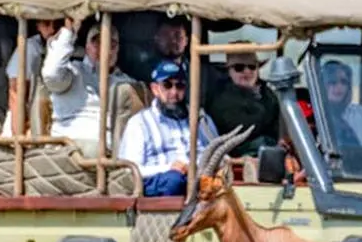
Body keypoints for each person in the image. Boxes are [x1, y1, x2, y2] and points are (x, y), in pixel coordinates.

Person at [117, 59, 219, 197]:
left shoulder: (200, 118)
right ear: (155, 89)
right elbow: (130, 168)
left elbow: (216, 151)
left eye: (180, 86)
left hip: (200, 177)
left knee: (221, 181)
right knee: (174, 181)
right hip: (163, 179)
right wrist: (169, 167)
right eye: (167, 85)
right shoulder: (139, 123)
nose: (174, 92)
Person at [40, 17, 136, 157]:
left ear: (118, 50)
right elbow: (51, 74)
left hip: (110, 150)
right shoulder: (72, 72)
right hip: (69, 145)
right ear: (87, 47)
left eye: (112, 45)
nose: (105, 50)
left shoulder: (126, 82)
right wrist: (68, 32)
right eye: (97, 43)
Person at [204, 45, 280, 156]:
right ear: (229, 71)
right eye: (239, 68)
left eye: (252, 67)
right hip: (238, 154)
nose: (247, 71)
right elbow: (245, 127)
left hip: (270, 149)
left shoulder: (267, 92)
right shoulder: (221, 96)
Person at [0, 18, 59, 135]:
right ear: (38, 26)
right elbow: (16, 93)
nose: (52, 29)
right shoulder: (31, 48)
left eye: (57, 24)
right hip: (26, 124)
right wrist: (19, 135)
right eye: (46, 23)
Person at [320, 59, 362, 147]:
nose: (339, 86)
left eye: (344, 82)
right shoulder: (314, 114)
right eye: (333, 82)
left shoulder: (359, 114)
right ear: (322, 85)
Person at [126, 13, 190, 84]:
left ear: (186, 41)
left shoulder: (194, 67)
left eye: (178, 35)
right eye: (166, 35)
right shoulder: (143, 71)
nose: (173, 41)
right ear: (156, 38)